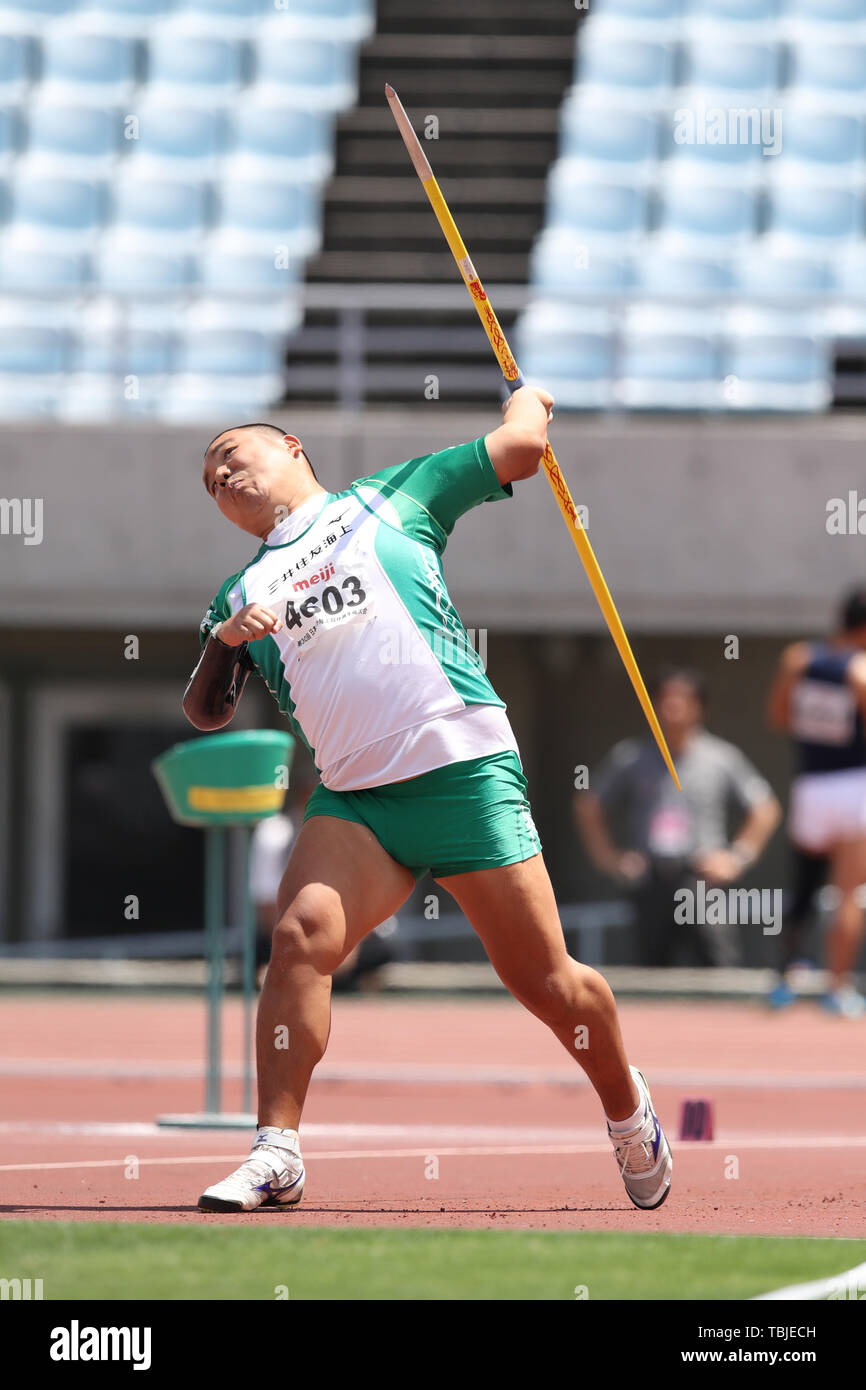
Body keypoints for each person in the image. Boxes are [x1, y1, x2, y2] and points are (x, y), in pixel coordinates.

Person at [183, 389, 673, 1214]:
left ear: (294, 447)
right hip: (357, 800)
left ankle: (627, 1107)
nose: (222, 473)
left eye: (233, 453)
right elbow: (206, 710)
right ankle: (277, 1151)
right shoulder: (239, 592)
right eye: (209, 479)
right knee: (300, 938)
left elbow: (517, 451)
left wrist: (529, 402)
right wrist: (225, 644)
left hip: (461, 767)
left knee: (545, 981)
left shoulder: (389, 497)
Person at [575, 669, 780, 967]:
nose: (672, 709)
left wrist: (738, 857)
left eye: (681, 700)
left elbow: (766, 808)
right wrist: (610, 858)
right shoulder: (631, 756)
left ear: (699, 707)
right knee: (652, 973)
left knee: (718, 966)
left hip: (701, 879)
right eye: (664, 701)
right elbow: (588, 804)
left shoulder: (721, 757)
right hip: (651, 878)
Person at [766, 587, 866, 1017]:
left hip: (810, 786)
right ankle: (836, 989)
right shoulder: (861, 670)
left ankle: (785, 980)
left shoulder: (798, 658)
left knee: (803, 885)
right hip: (853, 786)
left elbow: (779, 716)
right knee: (847, 893)